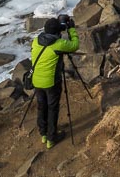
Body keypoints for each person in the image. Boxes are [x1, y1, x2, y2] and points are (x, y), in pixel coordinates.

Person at [30, 14, 79, 148]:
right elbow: (75, 45)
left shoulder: (35, 40)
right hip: (51, 82)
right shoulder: (59, 44)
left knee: (42, 106)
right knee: (52, 108)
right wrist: (71, 30)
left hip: (36, 81)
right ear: (58, 31)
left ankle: (43, 134)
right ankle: (52, 138)